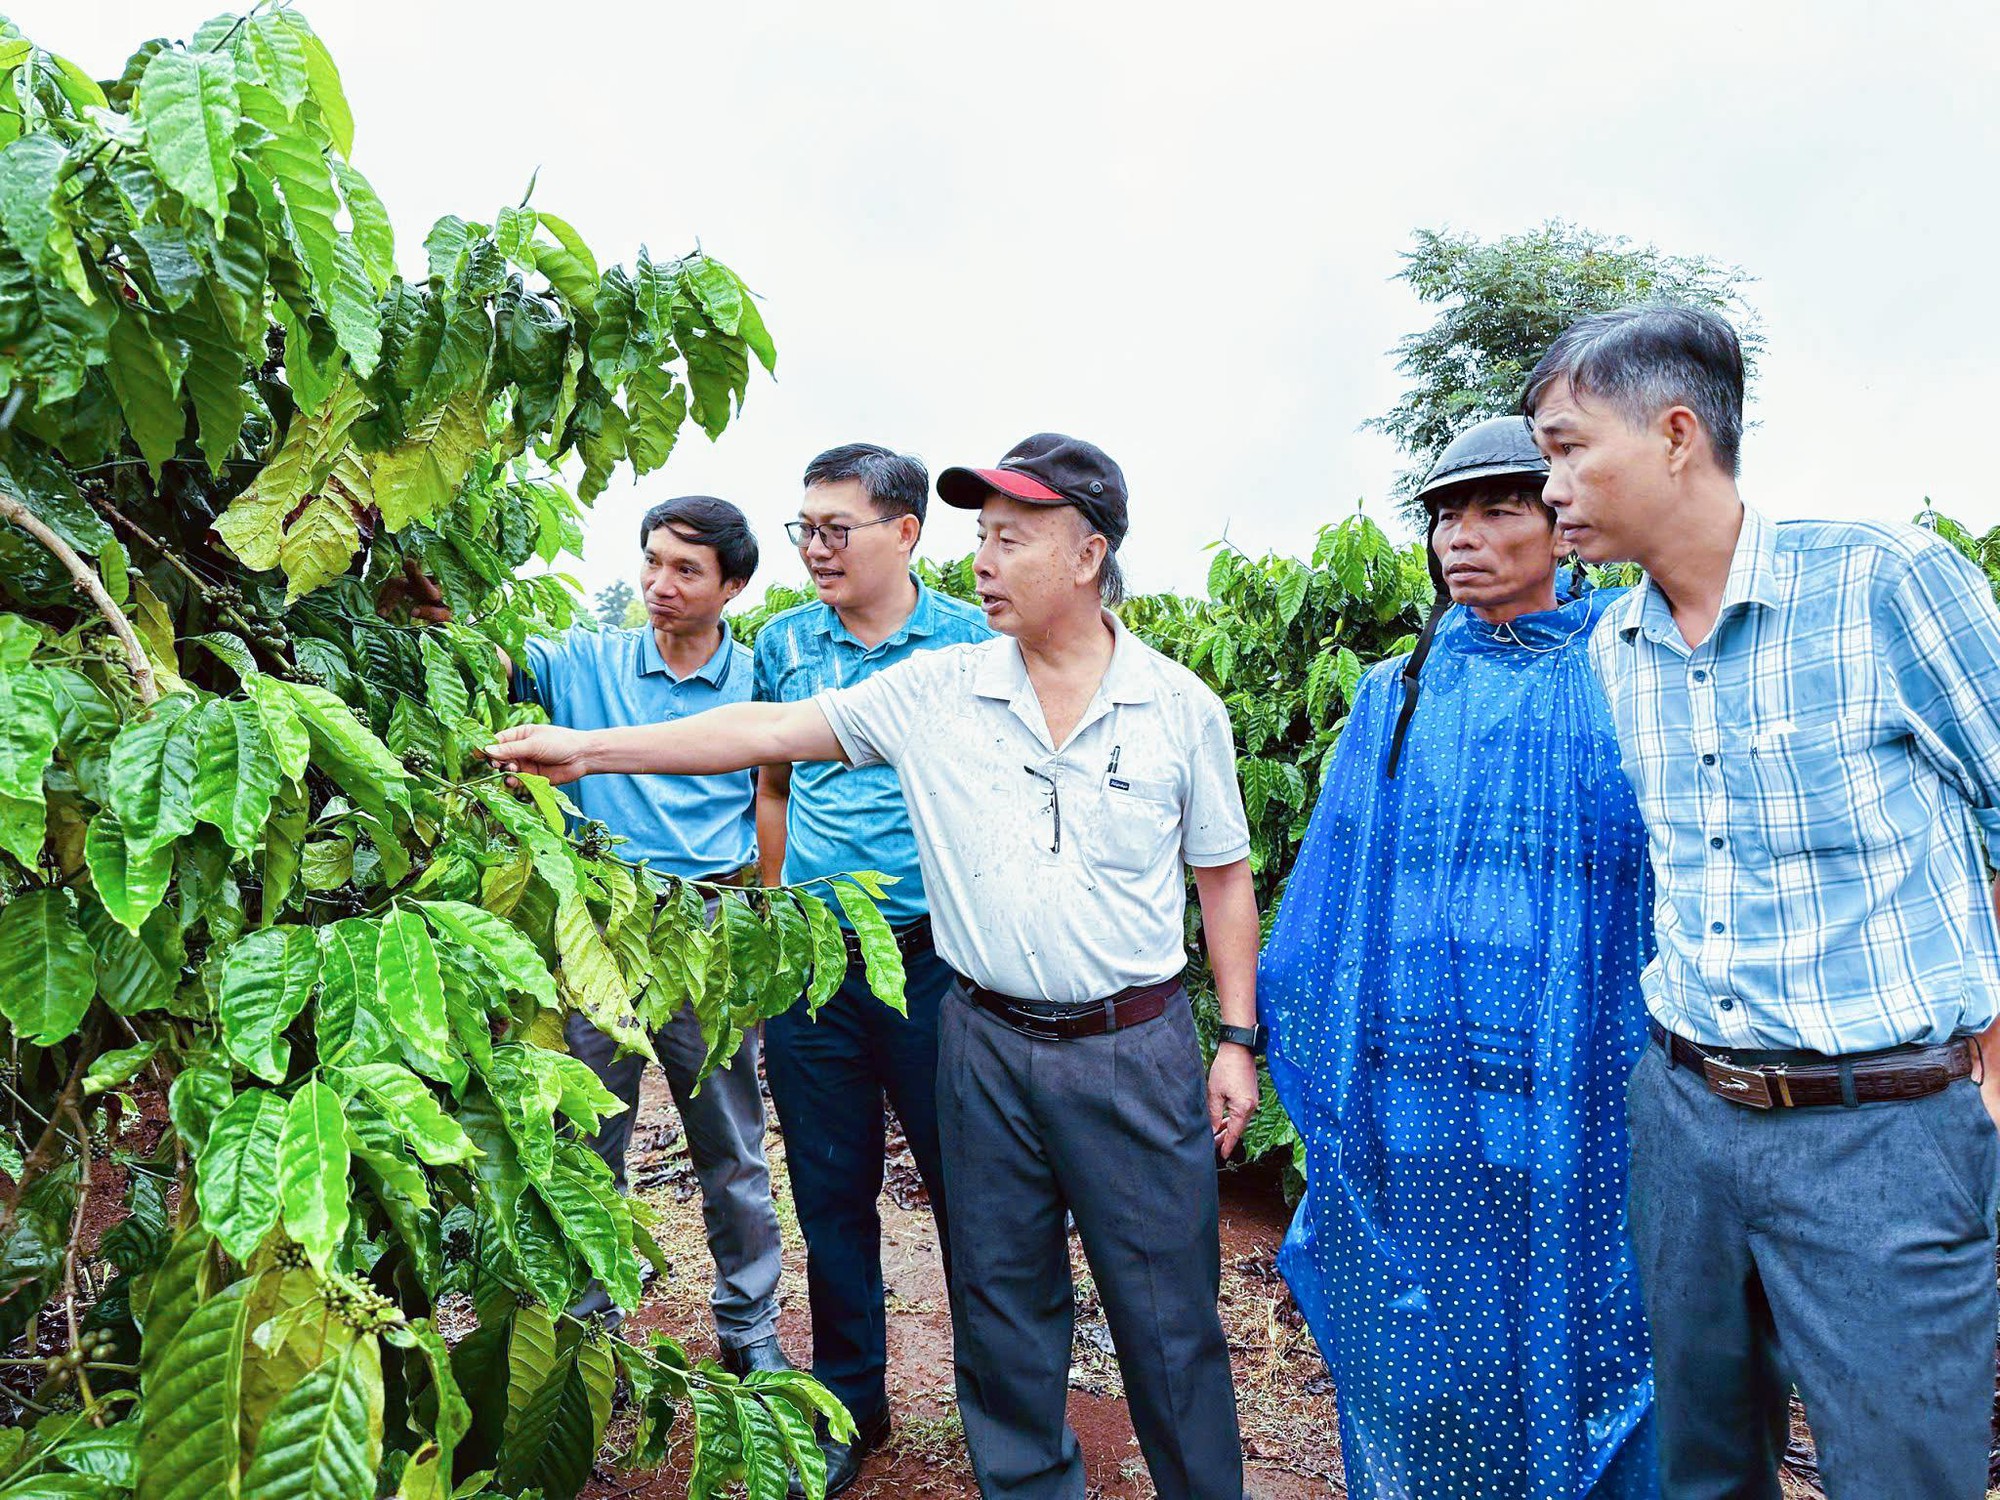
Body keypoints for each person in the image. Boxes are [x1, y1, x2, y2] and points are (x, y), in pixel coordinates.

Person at [485, 433, 1258, 1500]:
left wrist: (1234, 1036)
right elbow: (766, 730)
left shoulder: (1178, 707)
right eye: (980, 536)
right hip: (983, 1036)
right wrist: (589, 748)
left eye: (1011, 539)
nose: (982, 559)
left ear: (1086, 555)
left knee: (1165, 1310)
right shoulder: (938, 689)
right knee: (997, 1301)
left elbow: (1221, 874)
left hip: (1129, 1043)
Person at [1524, 303, 2000, 1499]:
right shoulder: (1614, 643)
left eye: (1567, 447)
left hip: (1881, 1128)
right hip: (1684, 1112)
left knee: (1904, 1474)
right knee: (1704, 1466)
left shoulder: (1882, 584)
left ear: (1676, 433)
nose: (1549, 487)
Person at [1259, 416, 1658, 1499]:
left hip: (1578, 1057)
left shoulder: (1627, 661)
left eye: (1495, 509)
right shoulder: (1397, 691)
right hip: (1419, 1065)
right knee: (1436, 1300)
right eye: (1444, 514)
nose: (1460, 538)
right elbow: (1341, 887)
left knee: (1585, 1291)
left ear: (1559, 521)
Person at [751, 443, 991, 1494]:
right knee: (829, 1188)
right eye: (802, 527)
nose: (812, 548)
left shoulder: (976, 642)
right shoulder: (783, 645)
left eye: (834, 529)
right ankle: (850, 1405)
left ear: (904, 533)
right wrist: (773, 917)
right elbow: (771, 785)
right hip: (814, 964)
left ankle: (1002, 1408)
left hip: (935, 960)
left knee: (971, 1191)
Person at [511, 495, 793, 1376]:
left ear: (733, 587)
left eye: (687, 570)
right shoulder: (585, 660)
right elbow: (490, 656)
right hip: (598, 925)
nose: (659, 585)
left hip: (707, 924)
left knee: (732, 1146)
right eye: (653, 561)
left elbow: (776, 794)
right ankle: (590, 1335)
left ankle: (752, 1335)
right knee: (589, 1138)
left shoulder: (756, 686)